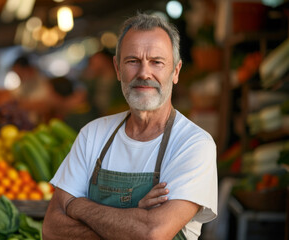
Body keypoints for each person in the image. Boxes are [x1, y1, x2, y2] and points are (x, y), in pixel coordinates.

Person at [42, 12, 217, 240]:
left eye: (157, 62)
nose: (144, 73)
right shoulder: (92, 134)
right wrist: (134, 217)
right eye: (133, 61)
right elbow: (52, 229)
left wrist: (77, 207)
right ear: (117, 68)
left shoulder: (193, 144)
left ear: (175, 71)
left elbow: (152, 233)